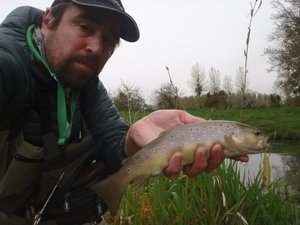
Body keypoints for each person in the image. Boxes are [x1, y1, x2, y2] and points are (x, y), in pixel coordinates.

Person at [0, 0, 248, 224]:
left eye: (109, 41)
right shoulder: (10, 64)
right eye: (85, 27)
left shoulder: (86, 85)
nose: (97, 48)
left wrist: (132, 138)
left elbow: (113, 138)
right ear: (48, 20)